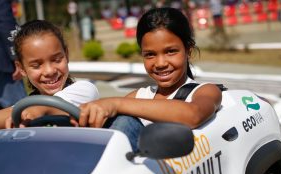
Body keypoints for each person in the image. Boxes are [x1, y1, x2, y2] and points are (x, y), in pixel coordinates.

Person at [77, 7, 222, 151]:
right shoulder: (137, 96)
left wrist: (114, 103)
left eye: (171, 51)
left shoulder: (205, 91)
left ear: (188, 51)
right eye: (150, 55)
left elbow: (193, 114)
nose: (160, 63)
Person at [0, 20, 99, 132]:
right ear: (21, 68)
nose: (49, 71)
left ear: (66, 55)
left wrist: (34, 111)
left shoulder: (86, 89)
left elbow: (46, 107)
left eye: (56, 60)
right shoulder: (22, 109)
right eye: (37, 65)